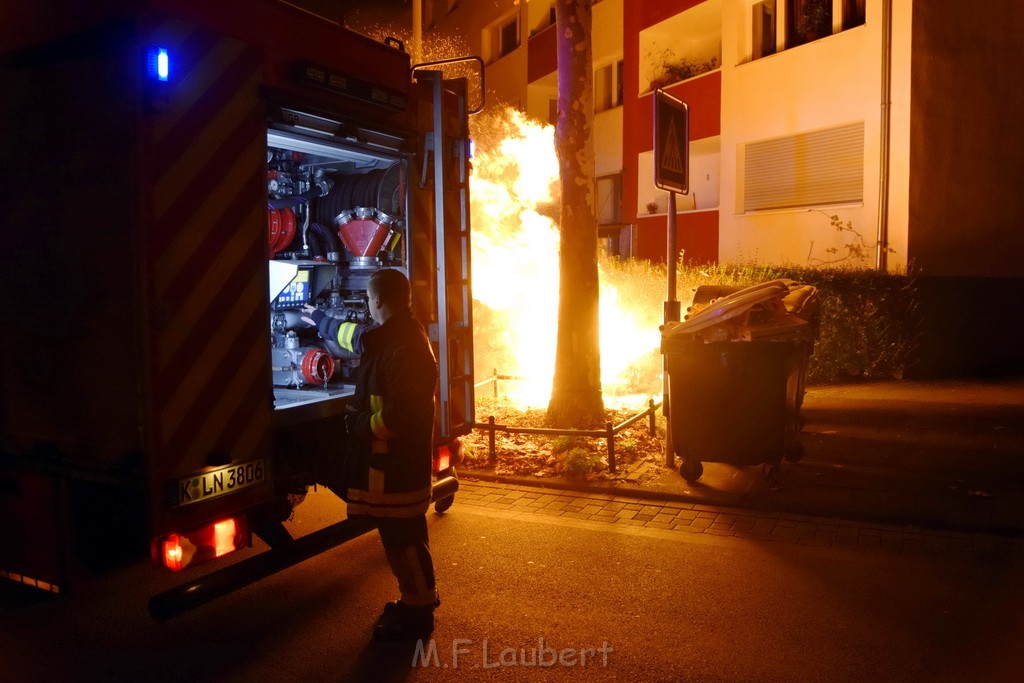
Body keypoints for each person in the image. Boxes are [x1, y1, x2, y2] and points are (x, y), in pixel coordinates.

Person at [303, 269, 440, 640]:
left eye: (367, 300)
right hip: (389, 465)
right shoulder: (390, 337)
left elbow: (401, 415)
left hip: (396, 466)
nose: (366, 306)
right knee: (400, 538)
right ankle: (415, 601)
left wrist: (359, 424)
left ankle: (419, 613)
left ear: (377, 301)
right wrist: (317, 318)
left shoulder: (405, 348)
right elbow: (354, 336)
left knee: (404, 539)